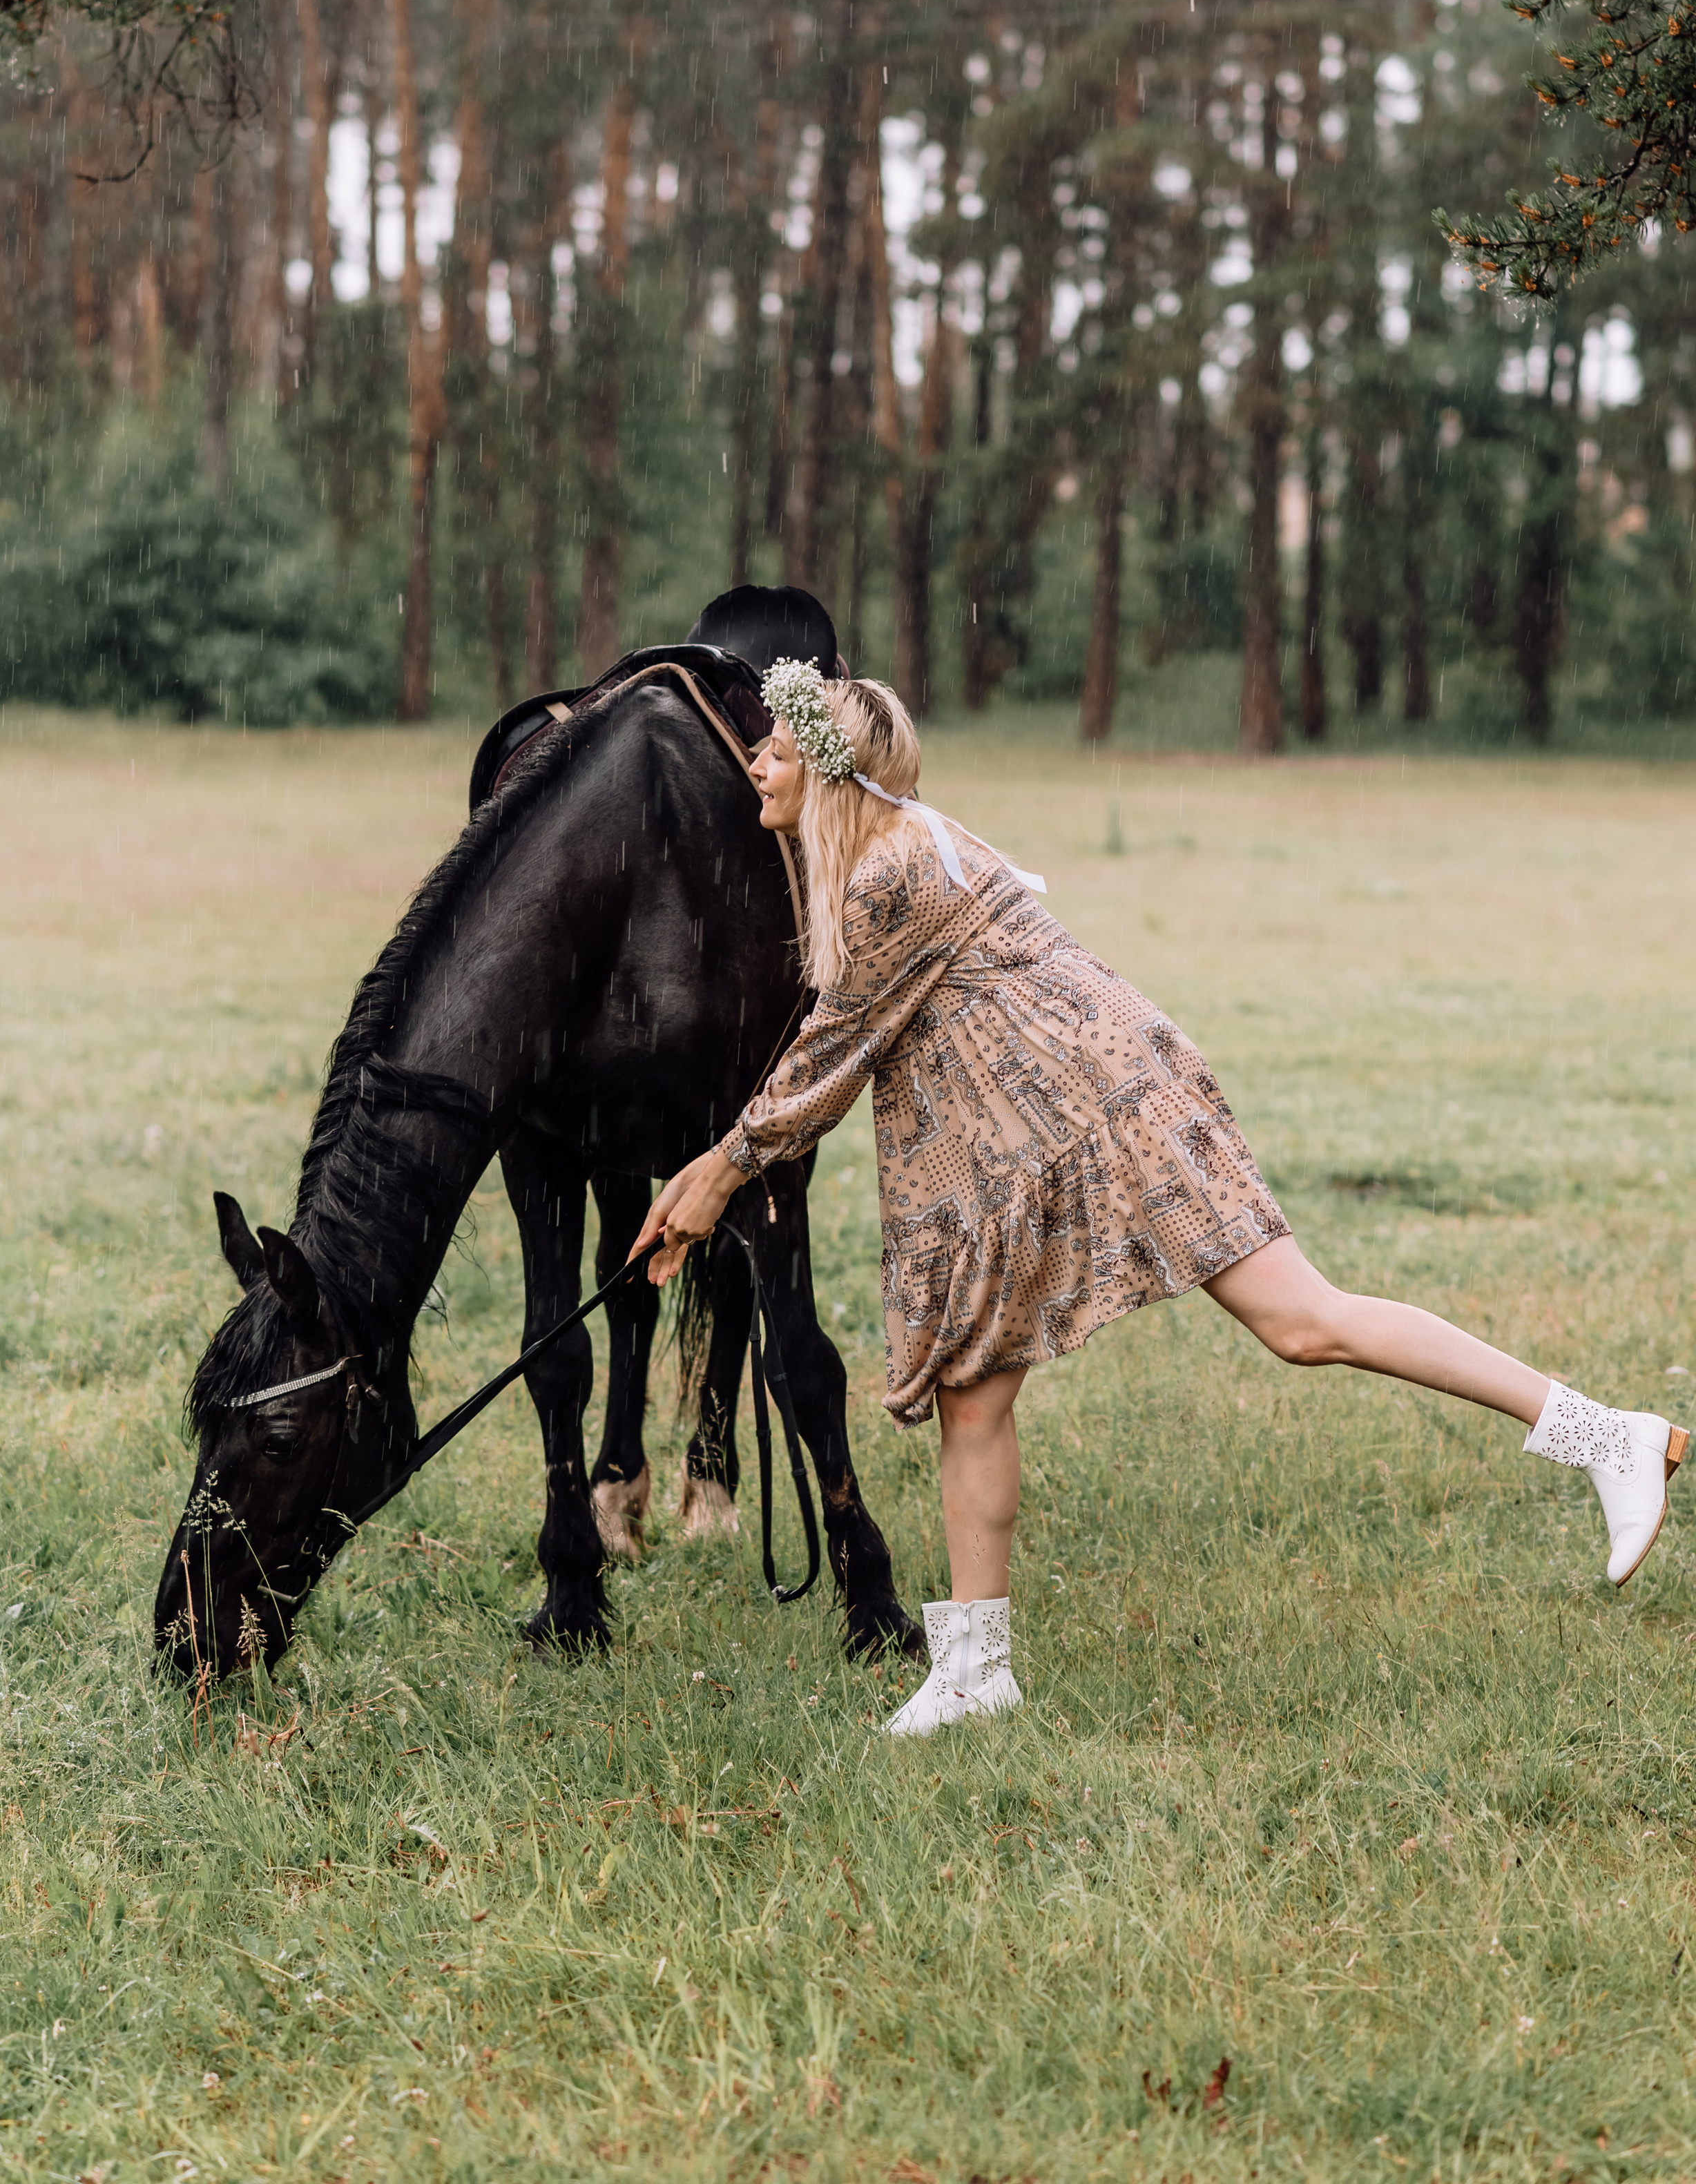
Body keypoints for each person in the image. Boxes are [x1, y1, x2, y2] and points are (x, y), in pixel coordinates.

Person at [631, 664, 1687, 1737]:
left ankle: (1605, 1434)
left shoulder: (888, 872)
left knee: (1302, 1321)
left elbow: (830, 1055)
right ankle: (973, 1672)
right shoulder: (890, 852)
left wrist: (718, 1171)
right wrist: (716, 1172)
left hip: (1110, 1114)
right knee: (975, 1393)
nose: (757, 761)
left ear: (832, 766)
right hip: (1034, 1138)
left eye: (777, 746)